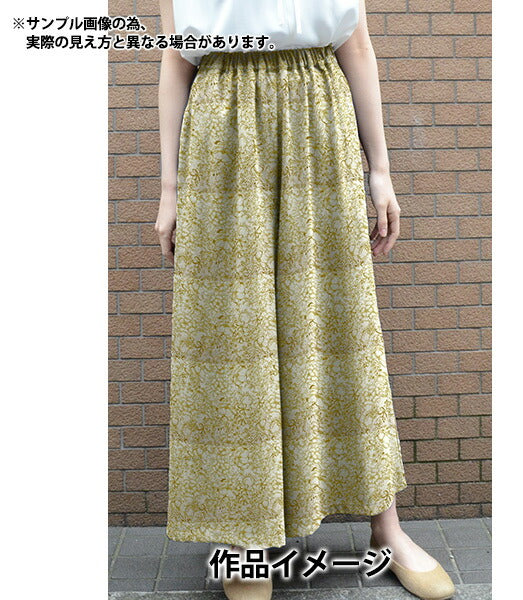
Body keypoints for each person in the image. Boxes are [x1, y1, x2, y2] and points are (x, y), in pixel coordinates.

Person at [154, 1, 455, 599]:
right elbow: (175, 62)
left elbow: (357, 47)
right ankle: (245, 539)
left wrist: (381, 169)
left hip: (319, 118)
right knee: (234, 333)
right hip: (222, 127)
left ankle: (387, 528)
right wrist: (170, 187)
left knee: (342, 319)